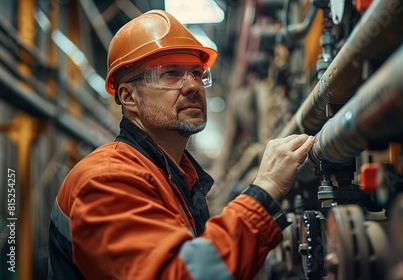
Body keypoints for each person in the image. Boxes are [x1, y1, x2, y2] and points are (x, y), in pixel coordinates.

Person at [47, 10, 315, 280]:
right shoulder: (106, 179)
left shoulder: (176, 178)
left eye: (197, 73)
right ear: (128, 97)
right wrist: (265, 189)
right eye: (170, 73)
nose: (193, 86)